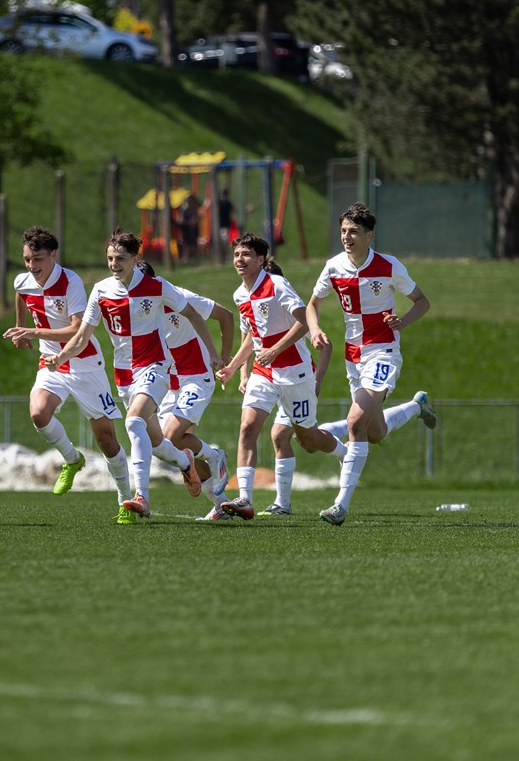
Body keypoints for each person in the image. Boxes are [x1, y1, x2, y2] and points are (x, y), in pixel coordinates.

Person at [48, 229, 216, 525]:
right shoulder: (100, 290)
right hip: (124, 375)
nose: (114, 264)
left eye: (121, 258)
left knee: (133, 421)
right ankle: (184, 460)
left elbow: (193, 314)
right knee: (155, 442)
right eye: (110, 258)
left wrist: (213, 354)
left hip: (154, 366)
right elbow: (82, 335)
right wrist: (61, 357)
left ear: (136, 257)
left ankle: (141, 496)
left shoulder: (156, 286)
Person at [306, 202, 435, 526]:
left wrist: (402, 321)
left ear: (369, 235)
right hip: (353, 357)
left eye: (353, 232)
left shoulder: (389, 266)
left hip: (383, 352)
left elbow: (423, 301)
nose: (347, 237)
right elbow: (312, 304)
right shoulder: (334, 267)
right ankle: (417, 407)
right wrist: (315, 328)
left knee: (354, 423)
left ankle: (340, 505)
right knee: (373, 432)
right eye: (343, 231)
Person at [213, 234, 342, 520]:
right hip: (264, 371)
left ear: (261, 259)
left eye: (246, 254)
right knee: (248, 427)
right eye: (236, 254)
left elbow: (304, 321)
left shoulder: (277, 284)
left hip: (295, 372)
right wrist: (234, 366)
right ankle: (245, 498)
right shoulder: (239, 294)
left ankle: (343, 453)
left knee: (307, 440)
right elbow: (253, 337)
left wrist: (275, 349)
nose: (240, 260)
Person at [2, 226, 131, 498]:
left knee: (107, 440)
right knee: (38, 413)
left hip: (84, 361)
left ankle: (125, 498)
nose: (31, 265)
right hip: (51, 362)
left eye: (38, 259)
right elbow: (21, 295)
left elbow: (76, 329)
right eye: (27, 259)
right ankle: (73, 460)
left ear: (53, 255)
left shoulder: (70, 282)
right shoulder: (22, 281)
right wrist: (19, 327)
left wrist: (32, 332)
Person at [137, 261, 235, 517]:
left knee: (172, 437)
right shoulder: (134, 308)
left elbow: (226, 316)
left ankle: (215, 456)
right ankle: (220, 503)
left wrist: (223, 359)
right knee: (167, 447)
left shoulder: (179, 297)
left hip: (196, 377)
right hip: (168, 384)